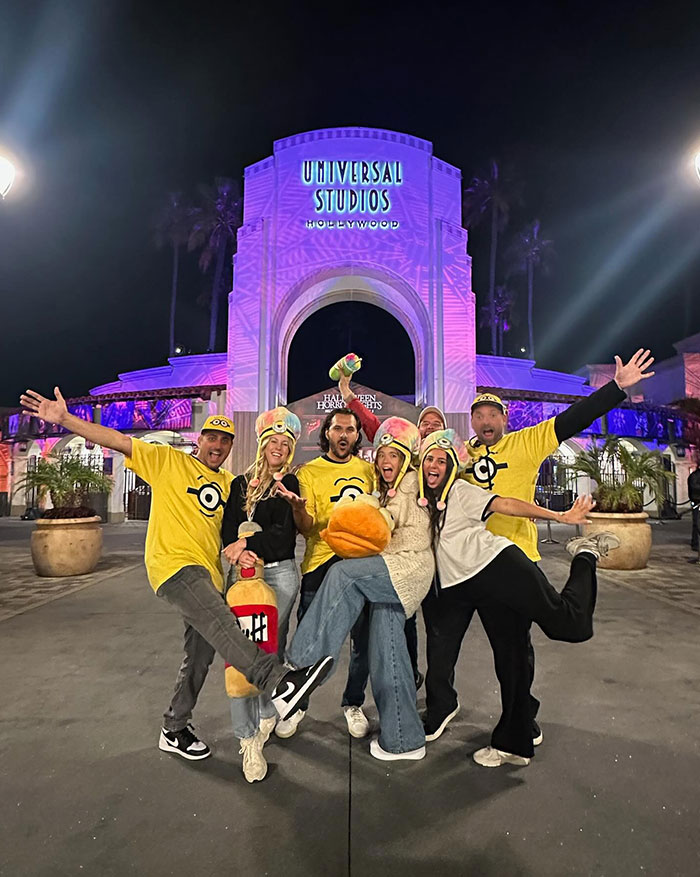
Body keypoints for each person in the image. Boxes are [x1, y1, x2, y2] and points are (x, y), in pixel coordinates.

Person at [19, 387, 333, 764]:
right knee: (222, 625)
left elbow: (238, 529)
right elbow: (117, 439)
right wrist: (66, 420)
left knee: (201, 654)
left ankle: (175, 726)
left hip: (209, 576)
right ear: (199, 440)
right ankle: (277, 682)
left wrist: (248, 541)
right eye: (212, 437)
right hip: (175, 567)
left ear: (232, 446)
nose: (217, 445)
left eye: (225, 440)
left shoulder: (230, 483)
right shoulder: (168, 460)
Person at [463, 348, 655, 746]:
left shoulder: (526, 442)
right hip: (478, 566)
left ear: (504, 419)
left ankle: (517, 729)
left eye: (492, 414)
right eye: (478, 415)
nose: (485, 421)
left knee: (518, 648)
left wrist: (616, 388)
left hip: (518, 559)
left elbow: (573, 419)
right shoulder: (462, 456)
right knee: (507, 650)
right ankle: (524, 716)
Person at [419, 429, 619, 767]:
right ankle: (513, 743)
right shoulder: (418, 498)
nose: (434, 466)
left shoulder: (461, 491)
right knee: (505, 658)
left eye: (442, 460)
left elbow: (506, 504)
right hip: (460, 587)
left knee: (567, 625)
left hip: (499, 567)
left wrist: (559, 516)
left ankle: (585, 554)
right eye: (429, 459)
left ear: (452, 467)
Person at [286, 417, 434, 761]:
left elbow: (388, 519)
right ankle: (403, 738)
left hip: (405, 569)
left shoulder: (410, 483)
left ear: (406, 459)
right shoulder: (382, 487)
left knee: (344, 576)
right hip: (391, 572)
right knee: (387, 652)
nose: (386, 461)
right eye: (382, 455)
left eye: (394, 455)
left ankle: (301, 665)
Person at [337, 372, 445, 690]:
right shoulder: (403, 463)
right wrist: (347, 393)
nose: (430, 428)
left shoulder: (447, 465)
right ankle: (406, 677)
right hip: (403, 559)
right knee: (401, 620)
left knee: (440, 631)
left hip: (442, 561)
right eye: (425, 423)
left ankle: (436, 694)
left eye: (436, 424)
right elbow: (375, 426)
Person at [274, 408, 375, 739]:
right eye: (338, 429)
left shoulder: (368, 471)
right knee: (310, 640)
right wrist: (299, 510)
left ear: (357, 435)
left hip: (361, 562)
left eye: (350, 429)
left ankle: (353, 702)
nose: (344, 435)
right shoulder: (310, 473)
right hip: (321, 563)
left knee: (363, 641)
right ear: (327, 433)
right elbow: (306, 528)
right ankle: (298, 705)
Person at [221, 407, 302, 783]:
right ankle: (248, 739)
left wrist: (247, 543)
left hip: (280, 575)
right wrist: (239, 550)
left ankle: (268, 711)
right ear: (263, 443)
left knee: (267, 651)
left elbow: (284, 537)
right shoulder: (240, 484)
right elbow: (227, 531)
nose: (279, 447)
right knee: (240, 657)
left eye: (286, 443)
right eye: (274, 441)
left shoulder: (291, 483)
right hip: (242, 577)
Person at [688, 466, 700, 563]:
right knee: (697, 525)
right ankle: (696, 544)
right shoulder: (695, 476)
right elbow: (694, 489)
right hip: (697, 504)